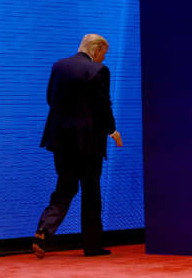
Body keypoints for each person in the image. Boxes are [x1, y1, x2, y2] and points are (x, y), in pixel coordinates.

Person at [32, 34, 123, 258]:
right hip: (89, 142)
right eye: (104, 53)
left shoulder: (59, 66)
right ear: (96, 50)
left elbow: (50, 99)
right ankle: (92, 246)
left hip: (61, 140)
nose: (104, 58)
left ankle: (44, 229)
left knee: (65, 187)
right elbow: (103, 106)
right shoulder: (98, 71)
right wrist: (112, 130)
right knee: (91, 191)